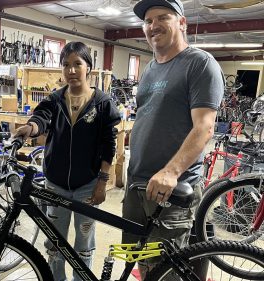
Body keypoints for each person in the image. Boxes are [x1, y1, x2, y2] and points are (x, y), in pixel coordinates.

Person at [122, 0, 225, 279]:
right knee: (137, 261)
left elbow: (204, 127)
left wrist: (171, 171)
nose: (153, 26)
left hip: (171, 190)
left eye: (162, 17)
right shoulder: (150, 69)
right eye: (147, 21)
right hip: (137, 185)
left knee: (164, 271)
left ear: (182, 22)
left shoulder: (200, 64)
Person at [14, 41, 121, 281]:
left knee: (84, 246)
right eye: (66, 65)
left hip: (88, 186)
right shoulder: (54, 100)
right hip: (56, 185)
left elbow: (108, 146)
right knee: (55, 244)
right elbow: (41, 118)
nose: (71, 70)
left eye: (77, 64)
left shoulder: (103, 104)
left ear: (88, 69)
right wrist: (30, 128)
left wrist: (102, 183)